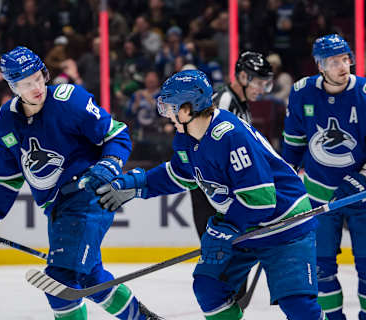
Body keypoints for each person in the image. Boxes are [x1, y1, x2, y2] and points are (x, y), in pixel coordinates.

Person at [95, 69, 326, 319]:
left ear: (187, 109)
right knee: (209, 289)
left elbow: (261, 201)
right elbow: (178, 174)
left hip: (283, 225)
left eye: (170, 107)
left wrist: (225, 229)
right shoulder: (186, 138)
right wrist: (134, 184)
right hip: (247, 227)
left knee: (298, 305)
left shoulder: (230, 136)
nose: (167, 115)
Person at [0, 46, 162, 320]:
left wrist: (107, 165)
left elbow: (118, 135)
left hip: (90, 195)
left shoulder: (71, 101)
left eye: (38, 77)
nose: (36, 87)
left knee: (60, 280)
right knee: (91, 279)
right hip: (57, 208)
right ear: (12, 86)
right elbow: (7, 177)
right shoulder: (4, 123)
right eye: (26, 83)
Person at [282, 34, 366, 320]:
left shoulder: (365, 93)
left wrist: (359, 181)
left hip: (362, 196)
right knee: (321, 268)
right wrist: (284, 184)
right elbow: (293, 144)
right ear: (320, 66)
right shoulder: (302, 91)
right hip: (319, 195)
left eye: (346, 59)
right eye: (334, 61)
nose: (343, 66)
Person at [190, 51, 274, 239]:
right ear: (243, 77)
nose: (262, 89)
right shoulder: (223, 102)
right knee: (218, 250)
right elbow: (210, 148)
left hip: (220, 185)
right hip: (210, 186)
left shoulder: (241, 104)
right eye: (259, 82)